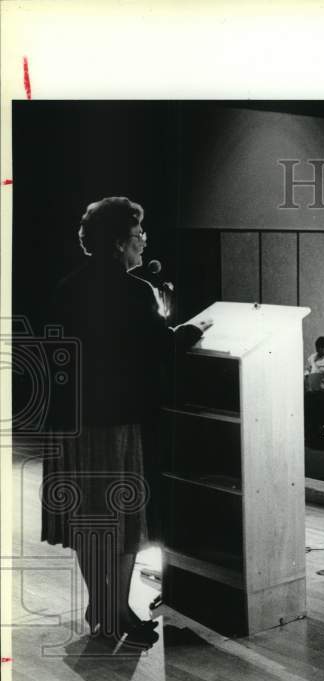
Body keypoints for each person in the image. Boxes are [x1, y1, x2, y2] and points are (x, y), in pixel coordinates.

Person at [42, 197, 212, 648]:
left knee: (86, 520)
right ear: (119, 243)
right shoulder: (135, 292)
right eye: (138, 235)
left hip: (70, 423)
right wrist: (193, 329)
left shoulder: (66, 287)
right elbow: (162, 347)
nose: (143, 241)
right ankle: (115, 610)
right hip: (114, 421)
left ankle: (102, 606)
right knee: (121, 522)